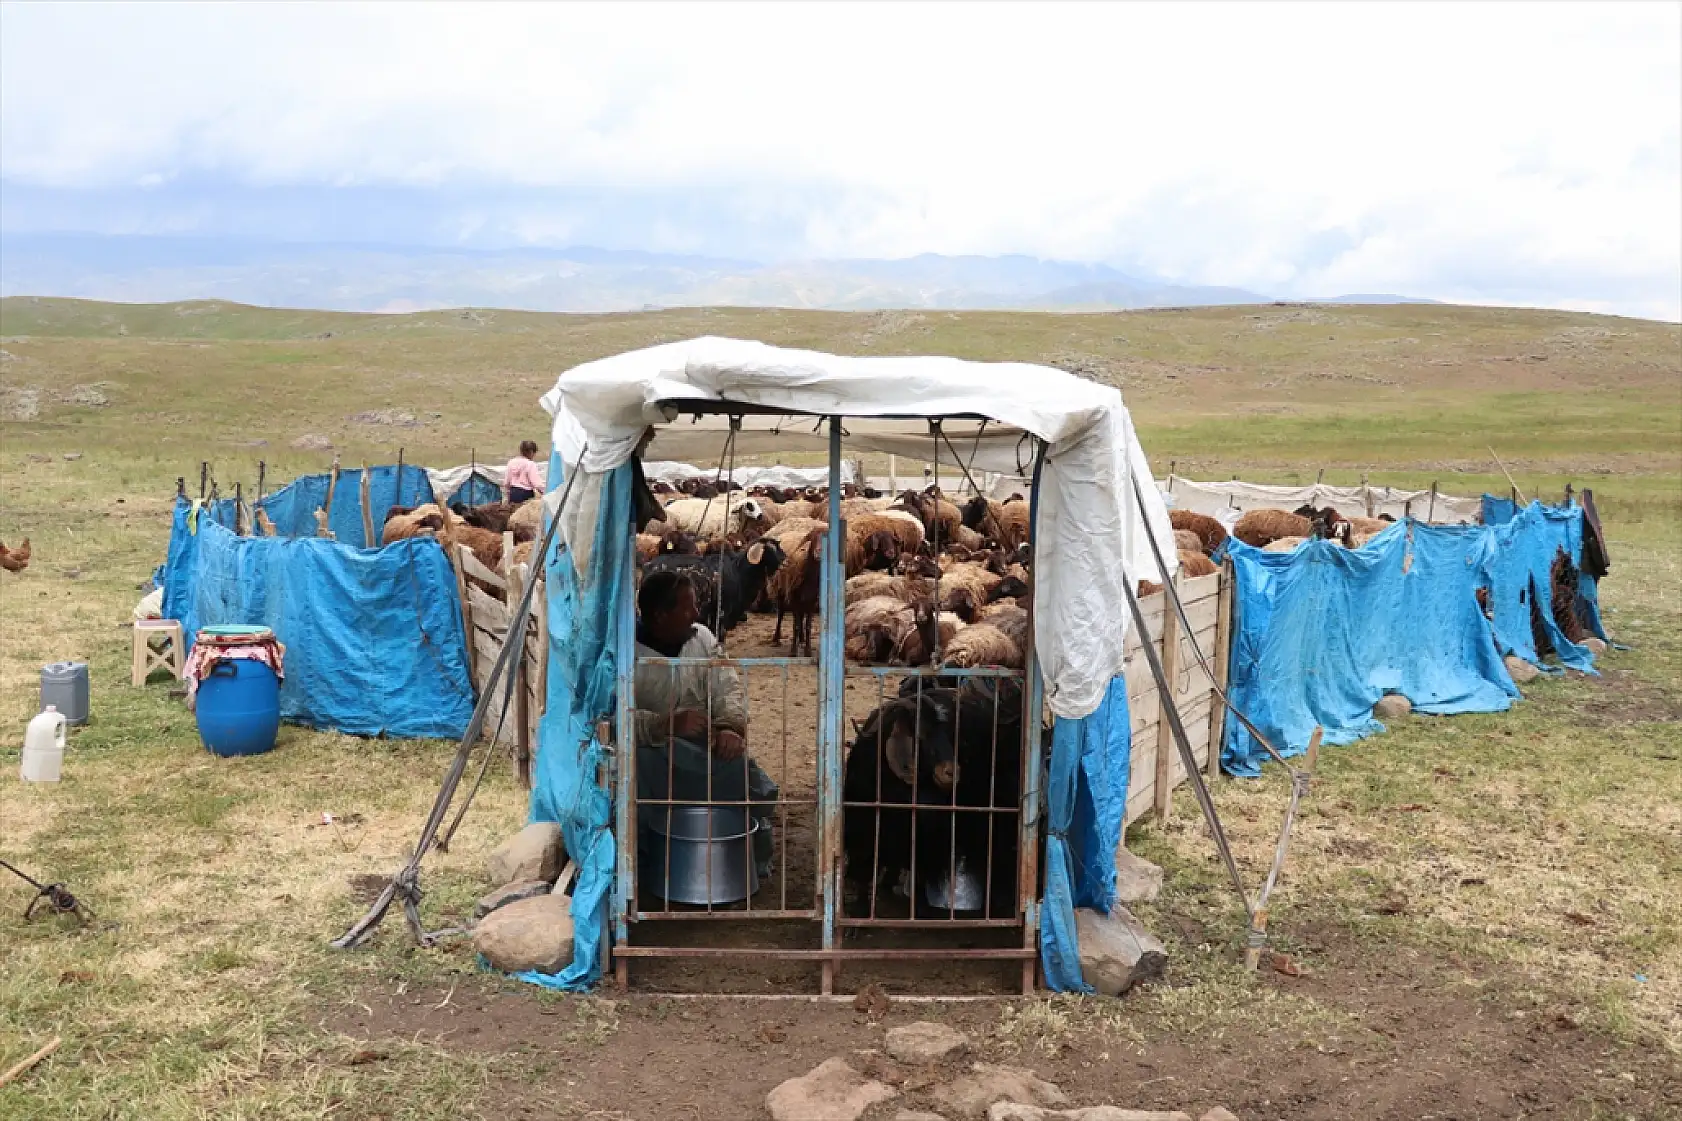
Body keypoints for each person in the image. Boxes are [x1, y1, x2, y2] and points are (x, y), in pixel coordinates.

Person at [632, 569, 777, 883]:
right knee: (635, 771)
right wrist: (663, 725)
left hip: (703, 746)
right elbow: (612, 716)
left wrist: (730, 727)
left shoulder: (701, 638)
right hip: (652, 755)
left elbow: (727, 685)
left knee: (739, 769)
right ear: (660, 615)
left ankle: (741, 857)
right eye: (687, 607)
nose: (696, 614)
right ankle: (646, 863)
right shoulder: (626, 654)